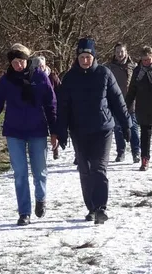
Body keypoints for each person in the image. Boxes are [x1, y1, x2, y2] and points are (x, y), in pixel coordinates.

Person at [0, 44, 58, 225]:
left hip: (37, 130)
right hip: (14, 132)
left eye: (21, 62)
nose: (18, 66)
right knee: (20, 173)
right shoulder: (6, 81)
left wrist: (55, 131)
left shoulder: (40, 77)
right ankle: (24, 212)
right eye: (15, 63)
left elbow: (51, 105)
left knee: (39, 171)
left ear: (27, 61)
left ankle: (41, 197)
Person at [54, 37, 129, 225]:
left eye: (88, 56)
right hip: (79, 131)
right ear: (77, 58)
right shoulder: (70, 78)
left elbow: (118, 101)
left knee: (99, 168)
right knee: (85, 170)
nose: (85, 60)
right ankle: (91, 208)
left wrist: (126, 125)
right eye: (81, 57)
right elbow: (63, 108)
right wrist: (61, 132)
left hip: (102, 130)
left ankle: (101, 208)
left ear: (93, 56)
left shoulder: (104, 74)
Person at [104, 43, 141, 163]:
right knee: (118, 129)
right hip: (115, 103)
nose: (120, 54)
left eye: (122, 51)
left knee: (133, 128)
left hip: (130, 102)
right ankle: (121, 152)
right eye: (118, 51)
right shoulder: (109, 67)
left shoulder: (134, 66)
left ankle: (136, 152)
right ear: (114, 53)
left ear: (126, 52)